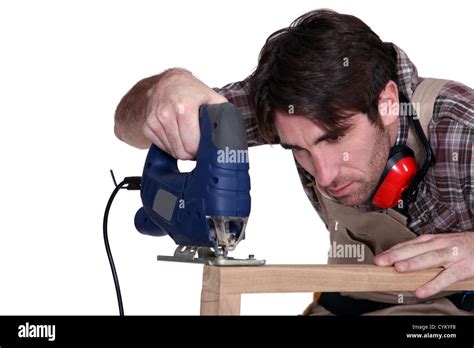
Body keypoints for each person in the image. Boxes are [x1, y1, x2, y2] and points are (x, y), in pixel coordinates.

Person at [114, 9, 473, 315]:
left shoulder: (461, 127)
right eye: (297, 149)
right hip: (346, 305)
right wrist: (165, 89)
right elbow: (127, 129)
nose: (324, 175)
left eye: (334, 137)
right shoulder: (283, 108)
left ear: (388, 103)